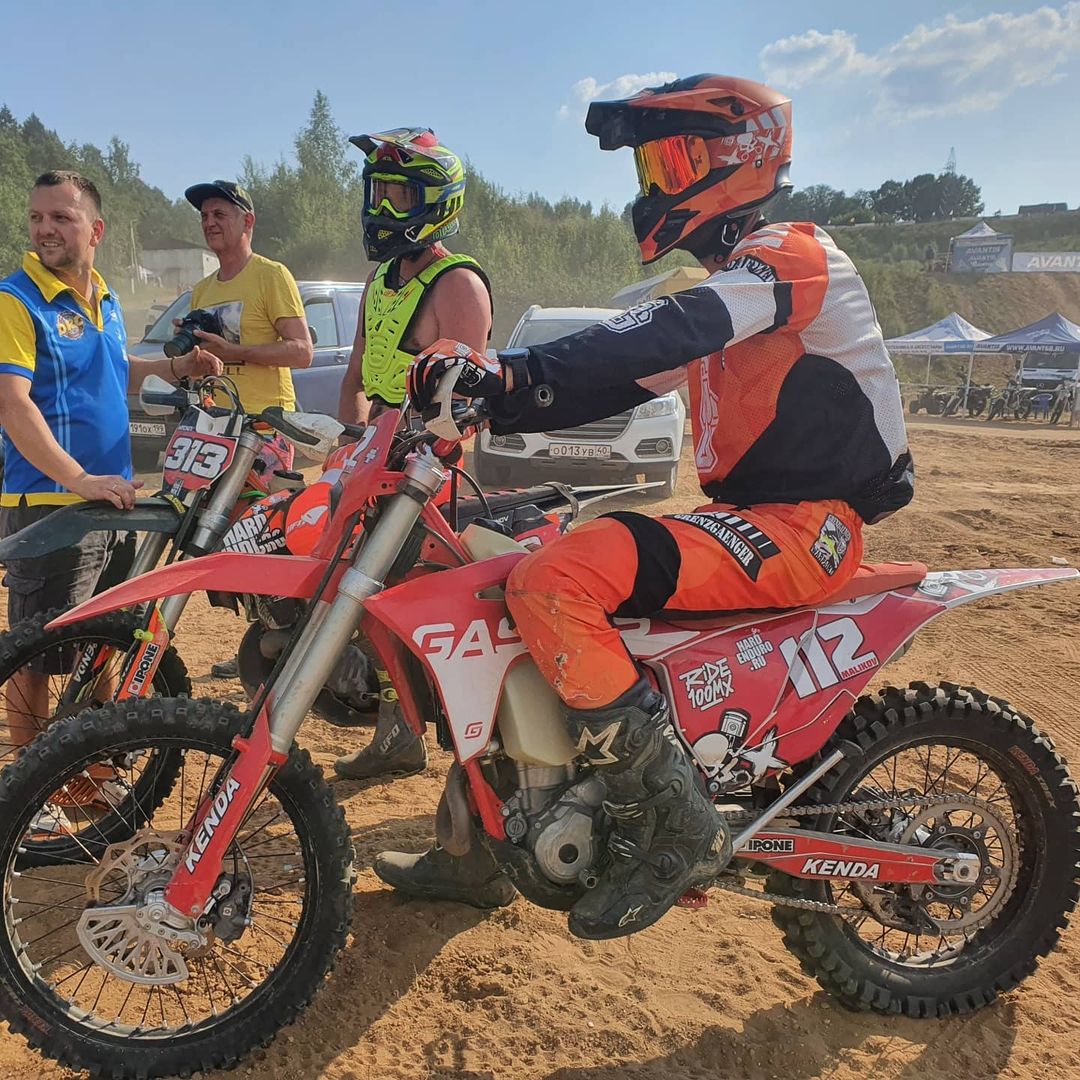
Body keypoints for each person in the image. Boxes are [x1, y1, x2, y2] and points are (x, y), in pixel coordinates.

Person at [388, 74, 915, 940]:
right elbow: (618, 377)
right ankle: (487, 840)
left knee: (555, 579)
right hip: (760, 521)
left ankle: (676, 824)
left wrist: (512, 370)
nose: (655, 186)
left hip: (805, 526)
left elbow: (666, 331)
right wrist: (498, 398)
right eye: (650, 169)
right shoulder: (733, 291)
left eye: (672, 162)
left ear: (742, 158)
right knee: (498, 560)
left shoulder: (791, 257)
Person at [0, 171, 220, 802]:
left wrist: (176, 366)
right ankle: (31, 792)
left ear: (95, 230)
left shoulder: (105, 296)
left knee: (104, 643)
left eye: (61, 218)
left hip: (111, 500)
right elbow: (13, 403)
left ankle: (92, 773)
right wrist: (77, 478)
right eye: (37, 217)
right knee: (37, 655)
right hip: (50, 503)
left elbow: (115, 370)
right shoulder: (17, 300)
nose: (45, 229)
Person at [333, 128, 492, 782]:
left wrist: (415, 459)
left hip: (427, 469)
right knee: (357, 590)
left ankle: (426, 737)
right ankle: (388, 720)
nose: (381, 208)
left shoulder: (457, 285)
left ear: (436, 202)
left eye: (397, 195)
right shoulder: (380, 279)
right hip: (372, 457)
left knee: (404, 601)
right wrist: (350, 438)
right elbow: (356, 371)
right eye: (377, 192)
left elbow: (465, 403)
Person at [180, 180, 314, 679]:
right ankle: (259, 646)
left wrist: (236, 352)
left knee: (264, 538)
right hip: (217, 429)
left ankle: (290, 643)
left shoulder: (270, 275)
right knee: (224, 535)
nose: (210, 222)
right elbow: (202, 364)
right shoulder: (203, 291)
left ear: (247, 221)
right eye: (204, 215)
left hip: (266, 428)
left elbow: (302, 351)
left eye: (220, 212)